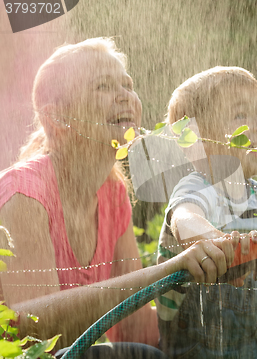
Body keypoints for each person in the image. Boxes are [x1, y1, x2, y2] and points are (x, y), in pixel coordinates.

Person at [0, 38, 238, 358]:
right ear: (57, 118)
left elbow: (133, 325)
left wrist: (231, 326)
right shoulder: (23, 194)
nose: (125, 96)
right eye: (103, 86)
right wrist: (168, 270)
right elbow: (32, 331)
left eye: (127, 85)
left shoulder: (112, 196)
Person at [156, 66, 257, 358]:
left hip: (253, 344)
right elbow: (185, 220)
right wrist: (216, 241)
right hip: (194, 348)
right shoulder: (197, 188)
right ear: (196, 141)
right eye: (241, 116)